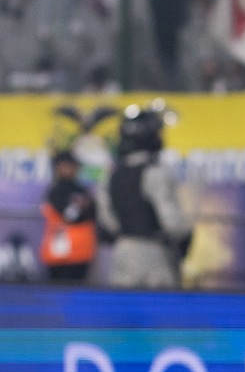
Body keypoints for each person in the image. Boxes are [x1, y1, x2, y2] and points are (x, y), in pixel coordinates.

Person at [96, 106, 192, 289]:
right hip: (154, 254)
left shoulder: (111, 175)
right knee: (159, 313)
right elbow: (173, 224)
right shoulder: (155, 173)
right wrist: (185, 233)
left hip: (122, 251)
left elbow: (108, 220)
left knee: (125, 313)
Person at [40, 151, 97, 282]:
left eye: (73, 166)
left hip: (82, 253)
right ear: (58, 167)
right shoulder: (56, 191)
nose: (71, 169)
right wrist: (81, 207)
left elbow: (92, 213)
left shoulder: (82, 189)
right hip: (60, 254)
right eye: (67, 165)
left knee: (78, 295)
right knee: (58, 295)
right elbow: (69, 216)